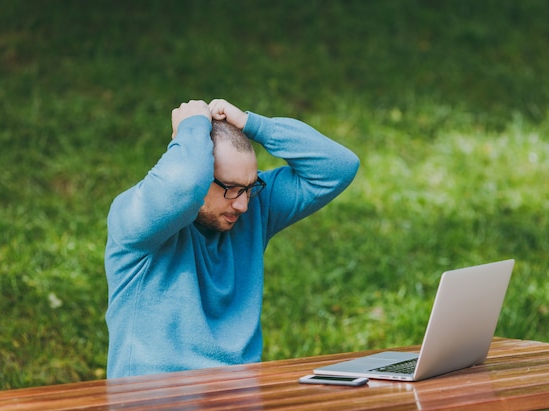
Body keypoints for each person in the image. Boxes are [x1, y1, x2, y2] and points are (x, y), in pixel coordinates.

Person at [104, 98, 359, 378]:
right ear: (197, 167)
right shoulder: (137, 217)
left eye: (249, 187)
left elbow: (338, 166)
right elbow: (185, 184)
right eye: (231, 188)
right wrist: (191, 128)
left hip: (238, 394)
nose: (242, 205)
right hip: (154, 398)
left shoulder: (254, 209)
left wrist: (253, 124)